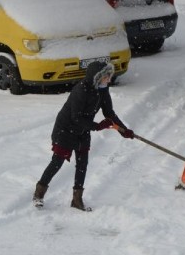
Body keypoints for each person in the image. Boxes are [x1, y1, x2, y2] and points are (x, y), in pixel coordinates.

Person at [32, 60, 134, 211]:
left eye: (109, 76)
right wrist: (97, 126)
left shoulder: (103, 90)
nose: (109, 79)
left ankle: (76, 200)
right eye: (106, 77)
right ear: (97, 77)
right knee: (57, 162)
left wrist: (123, 130)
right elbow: (76, 117)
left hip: (82, 130)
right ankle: (38, 194)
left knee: (82, 164)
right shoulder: (81, 90)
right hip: (66, 130)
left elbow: (109, 113)